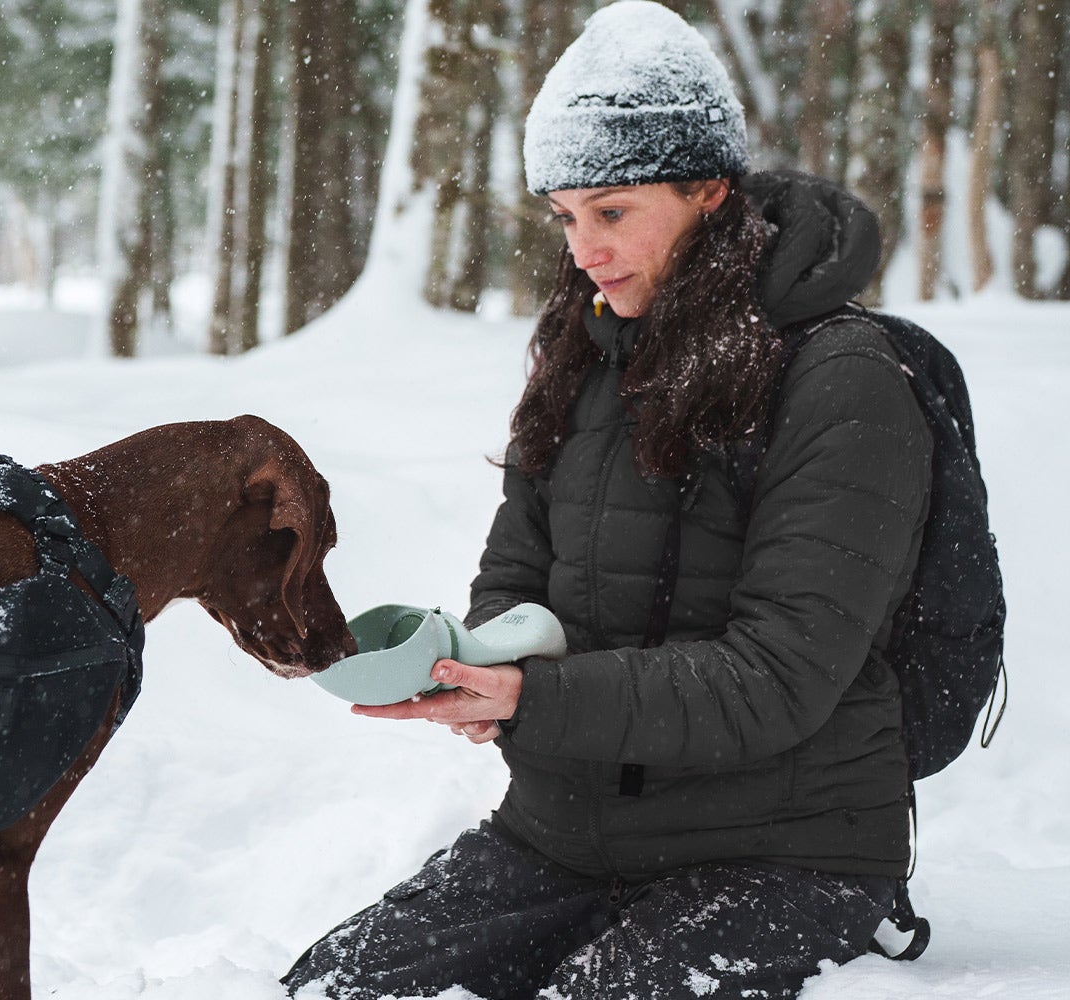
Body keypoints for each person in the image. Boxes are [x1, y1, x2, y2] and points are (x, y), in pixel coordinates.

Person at [283, 4, 931, 998]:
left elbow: (779, 677)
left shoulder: (843, 379)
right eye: (566, 215)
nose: (584, 247)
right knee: (330, 988)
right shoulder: (587, 352)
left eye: (613, 211)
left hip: (789, 853)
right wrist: (480, 664)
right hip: (567, 837)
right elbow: (515, 571)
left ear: (711, 190)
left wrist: (536, 700)